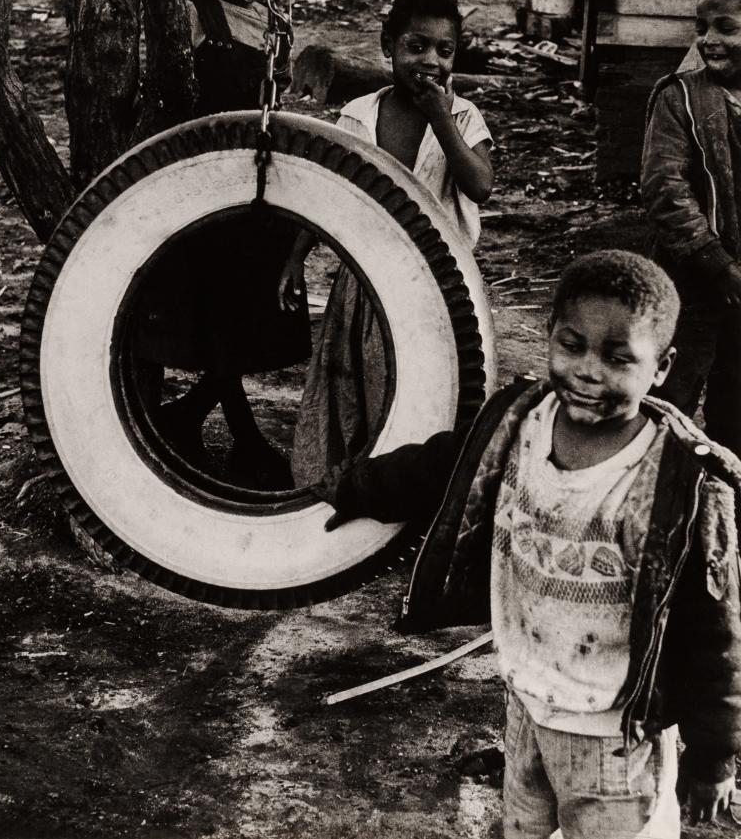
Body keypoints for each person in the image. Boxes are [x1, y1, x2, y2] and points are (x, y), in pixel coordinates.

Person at [315, 250, 741, 837]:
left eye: (619, 358)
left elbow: (714, 630)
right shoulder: (516, 424)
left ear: (662, 367)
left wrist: (713, 758)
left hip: (617, 740)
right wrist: (350, 487)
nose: (589, 370)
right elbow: (438, 466)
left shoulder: (682, 485)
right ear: (550, 338)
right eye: (572, 345)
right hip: (525, 703)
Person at [278, 0, 494, 487]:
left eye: (445, 50)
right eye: (416, 46)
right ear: (387, 45)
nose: (430, 62)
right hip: (366, 277)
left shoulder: (462, 116)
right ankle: (347, 482)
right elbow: (330, 192)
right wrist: (295, 259)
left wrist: (442, 118)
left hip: (436, 281)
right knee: (353, 377)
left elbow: (480, 185)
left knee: (422, 383)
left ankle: (411, 487)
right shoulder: (361, 114)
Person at [133, 0, 310, 488]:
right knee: (219, 318)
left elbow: (283, 99)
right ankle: (245, 440)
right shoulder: (194, 14)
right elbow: (170, 97)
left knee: (253, 317)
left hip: (265, 190)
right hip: (211, 192)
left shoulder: (280, 15)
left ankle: (192, 420)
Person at [641, 0, 741, 455]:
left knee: (736, 410)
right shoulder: (678, 98)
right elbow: (667, 191)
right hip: (692, 282)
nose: (709, 40)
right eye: (702, 28)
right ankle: (652, 503)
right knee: (668, 398)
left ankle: (725, 510)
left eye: (726, 28)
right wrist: (718, 265)